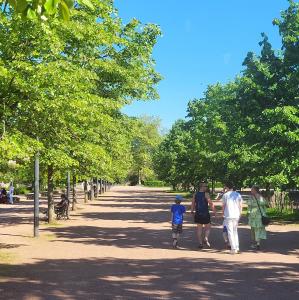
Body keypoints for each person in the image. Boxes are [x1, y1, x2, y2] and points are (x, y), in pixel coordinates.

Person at [191, 182, 216, 249]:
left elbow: (193, 203)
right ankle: (206, 238)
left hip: (198, 213)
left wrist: (192, 211)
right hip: (205, 213)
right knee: (208, 227)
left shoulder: (195, 194)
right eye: (205, 186)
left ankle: (200, 243)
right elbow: (210, 203)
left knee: (199, 229)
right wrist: (214, 211)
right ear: (201, 187)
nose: (206, 187)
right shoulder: (206, 194)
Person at [222, 182, 243, 254]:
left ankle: (233, 248)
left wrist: (222, 213)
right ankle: (237, 247)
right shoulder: (238, 194)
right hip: (236, 215)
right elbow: (240, 206)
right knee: (235, 231)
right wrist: (240, 214)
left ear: (227, 187)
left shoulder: (225, 195)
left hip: (228, 215)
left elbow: (223, 206)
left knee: (230, 232)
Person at [248, 185, 267, 250]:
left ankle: (254, 243)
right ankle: (258, 243)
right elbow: (264, 203)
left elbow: (249, 205)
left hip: (253, 215)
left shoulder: (251, 197)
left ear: (255, 190)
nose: (251, 190)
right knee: (259, 229)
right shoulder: (261, 197)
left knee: (253, 229)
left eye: (252, 189)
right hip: (261, 214)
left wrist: (248, 212)